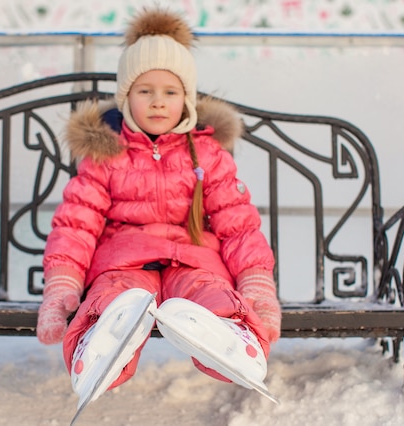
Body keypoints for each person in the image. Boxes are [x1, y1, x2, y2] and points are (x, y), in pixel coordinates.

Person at [37, 7, 281, 394]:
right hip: (124, 260)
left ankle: (233, 338)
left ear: (186, 100)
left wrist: (257, 283)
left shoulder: (207, 155)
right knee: (115, 296)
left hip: (194, 256)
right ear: (125, 97)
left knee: (207, 290)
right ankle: (101, 347)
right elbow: (76, 224)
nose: (157, 102)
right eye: (144, 91)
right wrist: (61, 286)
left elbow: (238, 225)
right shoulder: (106, 155)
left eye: (170, 92)